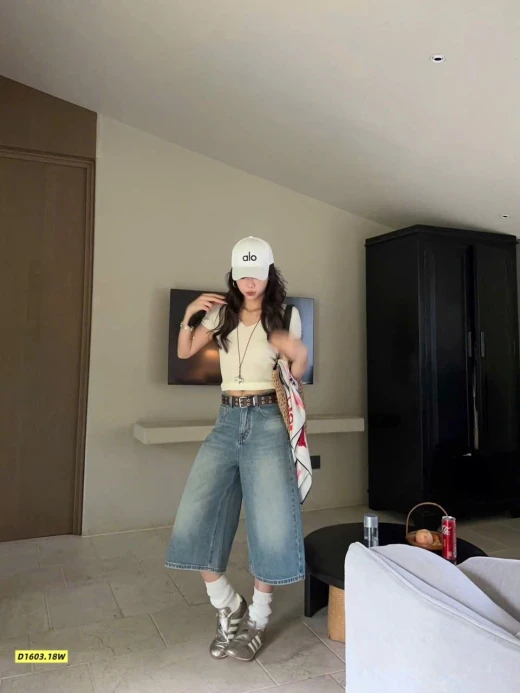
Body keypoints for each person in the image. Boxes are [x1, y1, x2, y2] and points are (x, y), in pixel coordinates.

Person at [166, 236, 309, 661]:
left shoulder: (286, 316)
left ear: (269, 275)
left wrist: (298, 354)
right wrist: (189, 316)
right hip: (227, 419)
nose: (249, 282)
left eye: (257, 274)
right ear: (233, 275)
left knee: (271, 523)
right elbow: (185, 351)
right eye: (242, 274)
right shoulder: (220, 315)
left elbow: (297, 375)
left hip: (267, 421)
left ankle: (258, 619)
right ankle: (228, 605)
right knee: (195, 515)